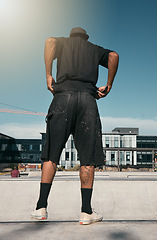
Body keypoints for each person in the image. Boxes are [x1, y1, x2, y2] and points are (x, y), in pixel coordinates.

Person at [31, 27, 119, 224]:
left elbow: (49, 41)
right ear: (86, 38)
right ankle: (86, 212)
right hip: (88, 100)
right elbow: (114, 55)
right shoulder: (94, 49)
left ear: (71, 36)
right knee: (87, 158)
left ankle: (41, 207)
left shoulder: (63, 42)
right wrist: (109, 84)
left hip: (63, 98)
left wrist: (48, 75)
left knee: (51, 154)